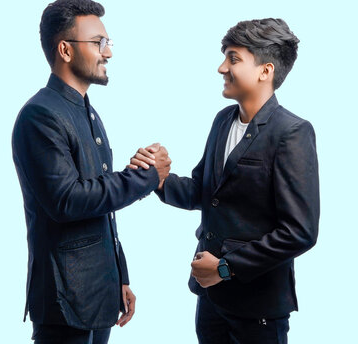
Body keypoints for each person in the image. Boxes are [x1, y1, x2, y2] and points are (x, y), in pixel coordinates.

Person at [130, 18, 319, 344]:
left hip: (257, 306)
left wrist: (225, 268)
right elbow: (203, 192)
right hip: (211, 300)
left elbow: (299, 232)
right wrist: (156, 178)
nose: (221, 68)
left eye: (233, 59)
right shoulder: (223, 121)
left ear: (265, 71)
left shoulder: (292, 132)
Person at [12, 0, 171, 343]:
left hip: (98, 296)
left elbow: (101, 205)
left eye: (108, 42)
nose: (108, 52)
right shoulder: (40, 116)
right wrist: (146, 176)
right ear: (65, 50)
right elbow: (67, 200)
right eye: (99, 43)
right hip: (65, 301)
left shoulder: (87, 111)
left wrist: (120, 275)